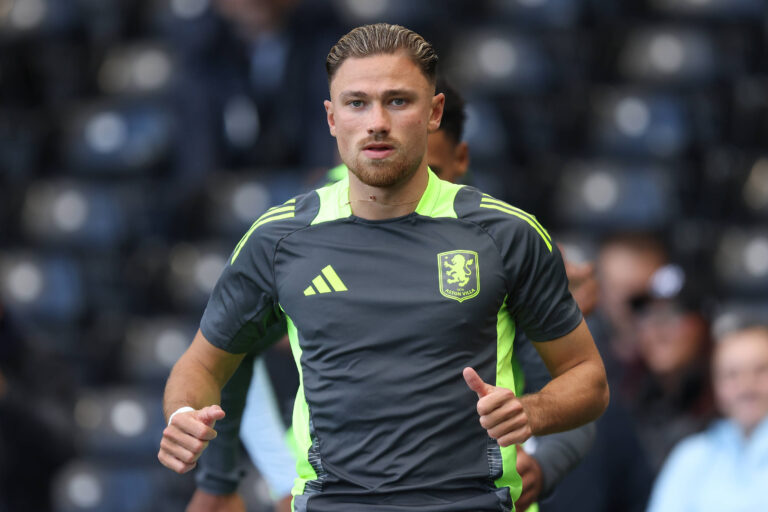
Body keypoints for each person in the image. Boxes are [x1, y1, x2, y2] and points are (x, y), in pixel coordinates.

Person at [158, 23, 609, 511]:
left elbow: (588, 378)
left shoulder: (507, 235)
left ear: (434, 111)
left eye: (397, 101)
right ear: (332, 118)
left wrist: (531, 412)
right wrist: (184, 416)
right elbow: (203, 364)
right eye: (357, 103)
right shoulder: (277, 240)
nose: (376, 122)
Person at [646, 322, 768, 512]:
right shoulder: (691, 457)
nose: (746, 386)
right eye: (732, 375)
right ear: (715, 385)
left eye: (760, 370)